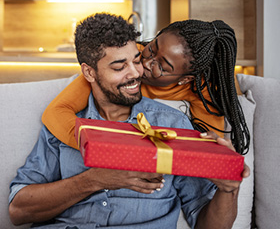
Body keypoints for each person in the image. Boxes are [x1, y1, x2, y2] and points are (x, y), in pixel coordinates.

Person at [9, 13, 248, 229]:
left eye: (135, 60)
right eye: (119, 66)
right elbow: (18, 210)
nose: (137, 71)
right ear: (90, 73)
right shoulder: (64, 124)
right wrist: (94, 178)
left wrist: (229, 187)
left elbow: (205, 220)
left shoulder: (175, 124)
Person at [42, 17, 250, 155]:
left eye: (161, 66)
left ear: (185, 79)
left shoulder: (201, 90)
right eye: (152, 48)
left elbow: (208, 148)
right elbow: (56, 112)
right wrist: (100, 146)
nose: (144, 64)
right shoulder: (129, 57)